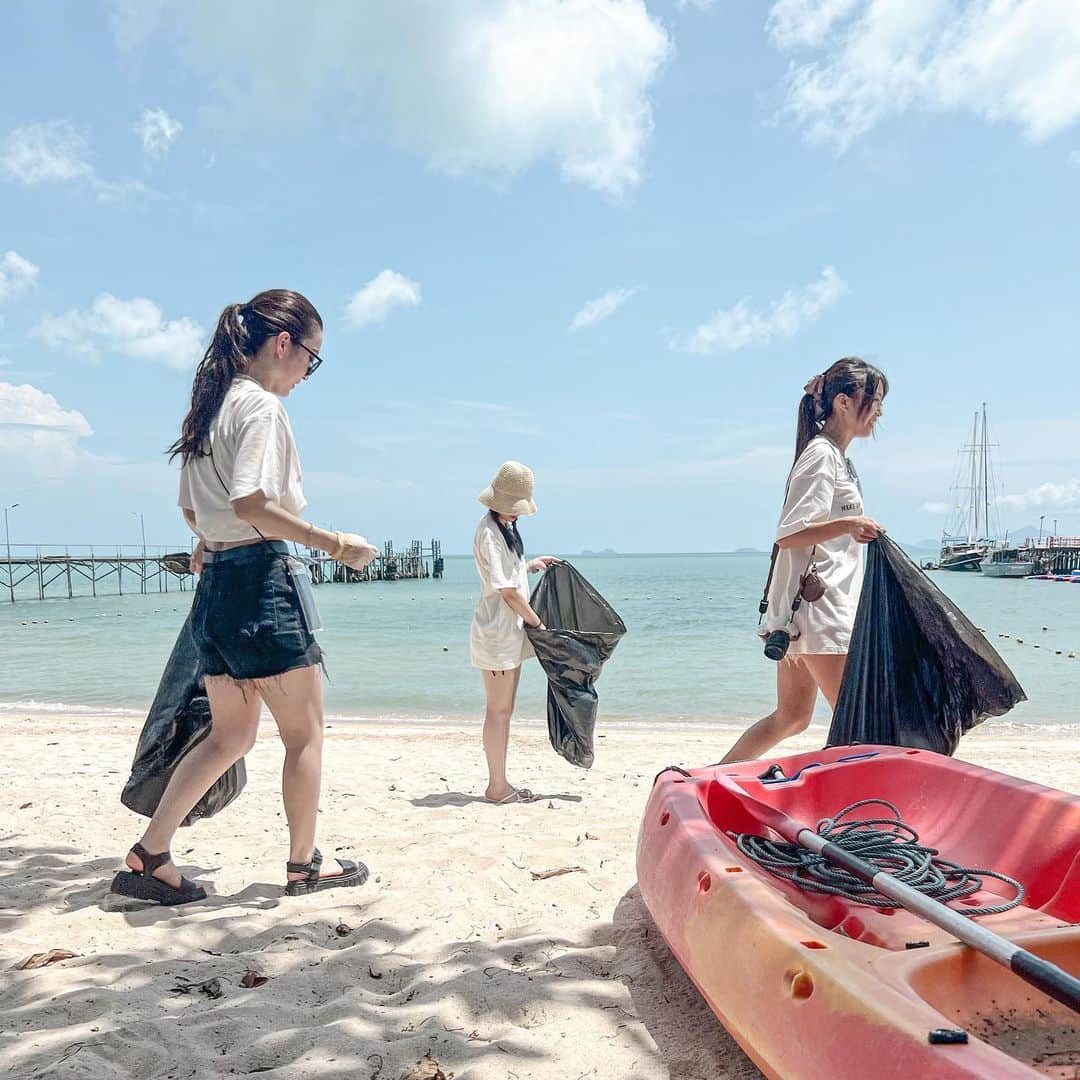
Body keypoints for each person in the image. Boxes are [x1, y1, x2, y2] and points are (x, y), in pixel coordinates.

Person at [110, 289, 379, 906]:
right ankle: (304, 864)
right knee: (304, 736)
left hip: (217, 591)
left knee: (229, 737)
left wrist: (209, 543)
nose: (307, 375)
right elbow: (252, 503)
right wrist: (334, 543)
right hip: (262, 583)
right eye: (311, 360)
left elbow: (191, 510)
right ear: (283, 344)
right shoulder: (259, 408)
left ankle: (152, 854)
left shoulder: (210, 409)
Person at [721, 357, 888, 764]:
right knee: (858, 726)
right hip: (819, 610)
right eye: (875, 399)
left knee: (791, 717)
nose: (880, 410)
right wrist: (849, 524)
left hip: (809, 609)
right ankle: (850, 803)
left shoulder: (840, 459)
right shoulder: (821, 456)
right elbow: (790, 533)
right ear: (844, 403)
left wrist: (848, 526)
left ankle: (707, 782)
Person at [470, 461, 558, 804]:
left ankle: (499, 782)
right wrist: (537, 623)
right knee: (498, 711)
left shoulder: (500, 527)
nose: (517, 515)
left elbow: (507, 574)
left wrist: (529, 565)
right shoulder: (490, 532)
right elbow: (507, 592)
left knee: (503, 710)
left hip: (506, 633)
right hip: (497, 634)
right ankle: (497, 787)